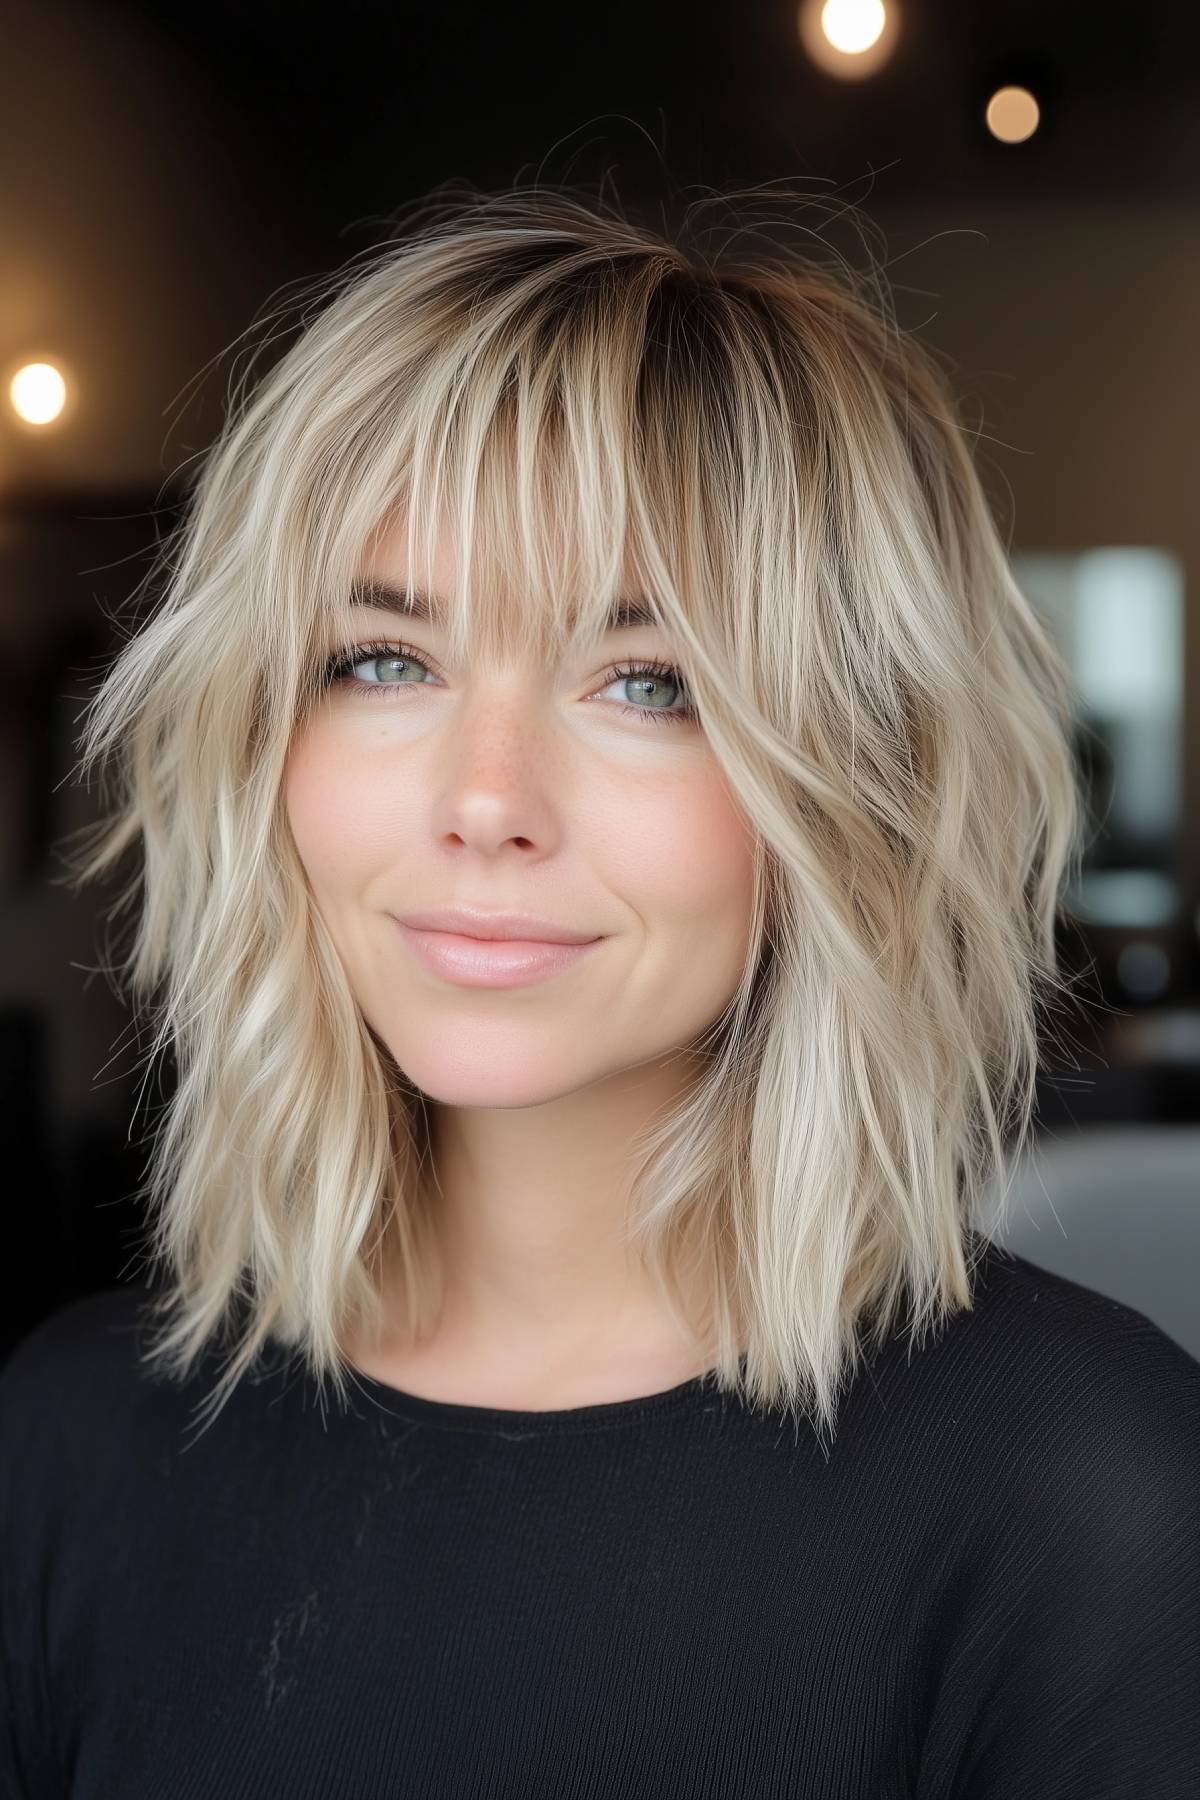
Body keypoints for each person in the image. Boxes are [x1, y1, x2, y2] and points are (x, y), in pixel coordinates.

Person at [2, 179, 1197, 1798]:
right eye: (387, 660)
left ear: (858, 784)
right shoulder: (70, 1446)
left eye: (649, 683)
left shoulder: (1092, 1491)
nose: (485, 796)